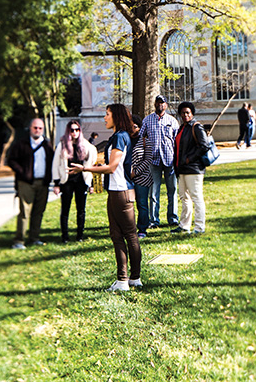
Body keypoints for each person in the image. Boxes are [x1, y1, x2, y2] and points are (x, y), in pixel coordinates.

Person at [68, 104, 141, 292]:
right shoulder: (120, 136)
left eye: (107, 114)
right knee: (121, 235)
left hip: (120, 193)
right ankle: (127, 279)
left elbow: (112, 167)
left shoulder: (119, 137)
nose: (104, 118)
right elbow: (114, 164)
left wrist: (84, 168)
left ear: (116, 116)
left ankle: (129, 279)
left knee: (126, 236)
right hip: (118, 192)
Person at [7, 118, 54, 248]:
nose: (37, 130)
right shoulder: (21, 144)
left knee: (38, 212)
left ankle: (34, 238)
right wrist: (23, 172)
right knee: (24, 212)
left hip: (43, 183)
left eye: (40, 128)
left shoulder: (47, 145)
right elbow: (11, 160)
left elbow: (52, 162)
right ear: (30, 128)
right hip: (26, 183)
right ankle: (19, 240)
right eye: (35, 127)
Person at [52, 120, 98, 242]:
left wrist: (91, 184)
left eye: (77, 130)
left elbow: (91, 162)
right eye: (72, 130)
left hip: (81, 181)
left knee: (81, 209)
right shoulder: (62, 145)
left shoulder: (86, 145)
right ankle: (65, 236)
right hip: (66, 181)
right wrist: (56, 184)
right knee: (65, 209)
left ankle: (79, 236)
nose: (74, 132)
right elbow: (55, 165)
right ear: (68, 131)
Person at [138, 95, 179, 231]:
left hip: (169, 160)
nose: (160, 105)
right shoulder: (147, 120)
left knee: (172, 190)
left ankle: (172, 218)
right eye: (158, 102)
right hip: (153, 160)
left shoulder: (172, 121)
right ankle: (154, 220)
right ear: (154, 104)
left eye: (162, 103)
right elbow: (140, 136)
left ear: (166, 105)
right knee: (153, 192)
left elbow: (176, 140)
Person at [172, 101, 210, 235]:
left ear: (192, 113)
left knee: (196, 197)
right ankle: (184, 225)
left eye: (187, 112)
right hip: (181, 169)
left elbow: (204, 146)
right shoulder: (182, 128)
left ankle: (199, 227)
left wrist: (189, 159)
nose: (185, 115)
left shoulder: (196, 127)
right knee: (184, 198)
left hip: (194, 169)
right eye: (182, 113)